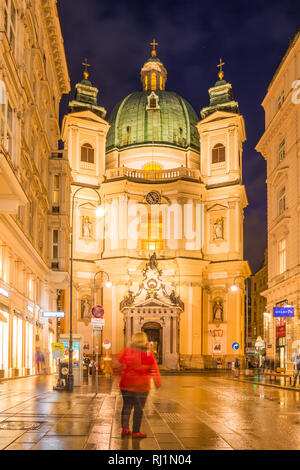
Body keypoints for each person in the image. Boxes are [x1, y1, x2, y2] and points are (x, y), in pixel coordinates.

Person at [118, 332, 161, 438]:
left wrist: (118, 375)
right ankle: (136, 431)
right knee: (138, 408)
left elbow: (119, 364)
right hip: (141, 386)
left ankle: (125, 429)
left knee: (126, 406)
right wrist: (157, 382)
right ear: (144, 340)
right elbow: (154, 369)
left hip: (126, 384)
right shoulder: (148, 353)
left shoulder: (127, 351)